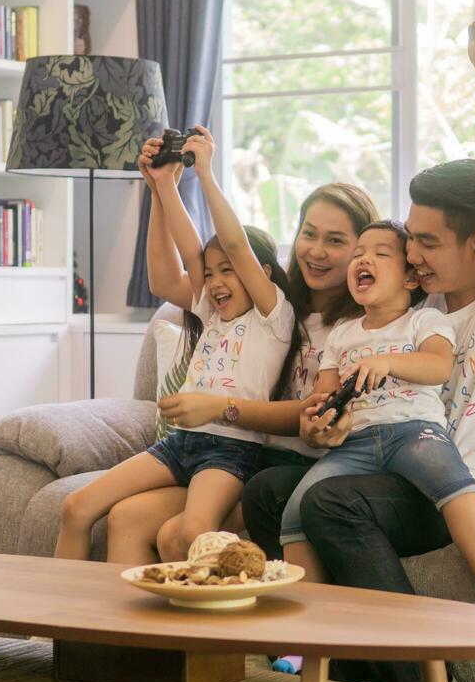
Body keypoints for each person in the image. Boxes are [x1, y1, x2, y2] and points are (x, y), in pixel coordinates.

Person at [242, 19, 475, 682]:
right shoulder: (416, 311)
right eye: (407, 239)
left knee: (333, 502)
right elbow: (368, 388)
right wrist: (324, 426)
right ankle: (347, 673)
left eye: (427, 241)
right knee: (267, 490)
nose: (410, 254)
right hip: (401, 466)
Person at [268, 219, 475, 676]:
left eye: (379, 254)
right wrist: (320, 419)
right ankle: (302, 635)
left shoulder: (424, 320)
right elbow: (324, 393)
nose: (363, 261)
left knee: (454, 483)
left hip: (414, 431)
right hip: (354, 445)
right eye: (358, 254)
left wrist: (387, 360)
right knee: (294, 510)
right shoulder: (341, 336)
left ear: (410, 278)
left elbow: (437, 366)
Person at [53, 125, 297, 568]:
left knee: (188, 533)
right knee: (76, 507)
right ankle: (73, 630)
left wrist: (204, 172)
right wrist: (162, 187)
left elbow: (236, 243)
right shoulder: (208, 309)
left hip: (230, 450)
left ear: (260, 272)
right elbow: (179, 261)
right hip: (181, 444)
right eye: (211, 272)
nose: (216, 282)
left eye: (229, 271)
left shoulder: (272, 317)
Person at [147, 182, 378, 561]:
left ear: (361, 251)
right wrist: (160, 188)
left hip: (292, 467)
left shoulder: (360, 327)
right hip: (242, 456)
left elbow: (314, 409)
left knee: (178, 536)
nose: (317, 251)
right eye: (309, 234)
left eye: (335, 241)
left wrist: (219, 407)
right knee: (130, 518)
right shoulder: (263, 306)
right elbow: (168, 280)